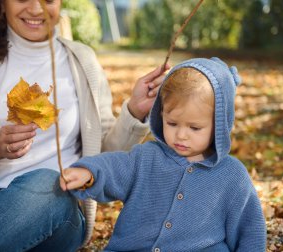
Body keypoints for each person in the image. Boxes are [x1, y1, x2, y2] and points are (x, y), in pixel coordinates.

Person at [0, 0, 168, 251]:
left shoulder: (83, 61)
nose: (37, 9)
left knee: (46, 183)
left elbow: (105, 155)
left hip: (54, 207)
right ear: (1, 4)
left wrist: (134, 111)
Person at [60, 57, 267, 251]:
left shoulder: (232, 175)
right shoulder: (147, 157)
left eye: (195, 128)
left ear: (219, 125)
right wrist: (90, 174)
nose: (181, 135)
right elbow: (114, 167)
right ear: (161, 114)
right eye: (172, 123)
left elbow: (250, 232)